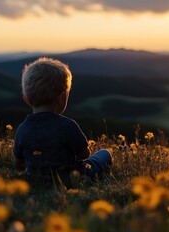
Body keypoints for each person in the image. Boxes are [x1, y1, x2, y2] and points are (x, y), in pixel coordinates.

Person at [12, 57, 112, 188]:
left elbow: (18, 164)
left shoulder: (22, 129)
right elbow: (84, 154)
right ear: (61, 98)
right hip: (71, 179)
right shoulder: (68, 126)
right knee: (104, 154)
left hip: (34, 178)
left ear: (27, 100)